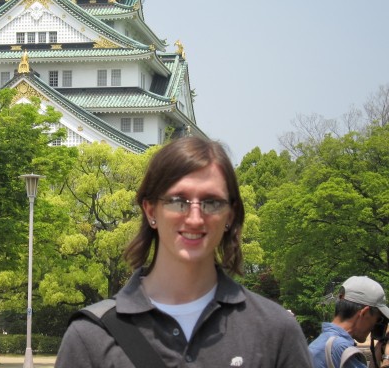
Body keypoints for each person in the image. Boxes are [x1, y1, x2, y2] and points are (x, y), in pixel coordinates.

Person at [55, 136, 312, 367]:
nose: (195, 218)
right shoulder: (91, 337)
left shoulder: (274, 331)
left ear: (230, 216)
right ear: (151, 210)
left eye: (212, 202)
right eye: (178, 201)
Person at [308, 276, 389, 368]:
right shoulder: (340, 348)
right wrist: (387, 358)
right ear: (364, 313)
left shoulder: (323, 343)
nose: (375, 326)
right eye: (378, 319)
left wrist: (378, 348)